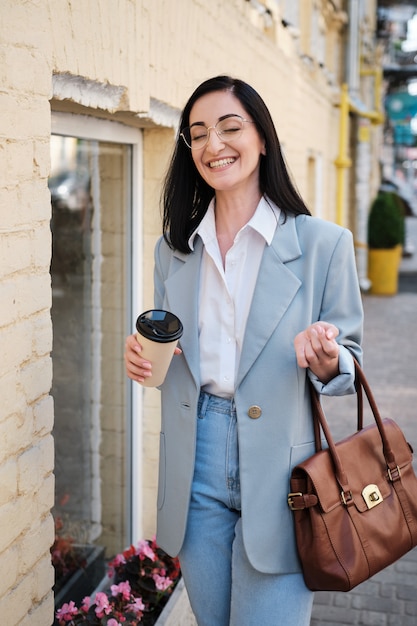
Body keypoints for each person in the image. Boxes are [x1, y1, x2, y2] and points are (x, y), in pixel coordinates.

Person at [124, 75, 363, 626]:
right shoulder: (175, 249)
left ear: (262, 139)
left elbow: (348, 360)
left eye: (230, 128)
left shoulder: (323, 245)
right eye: (199, 133)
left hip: (283, 468)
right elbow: (171, 354)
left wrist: (328, 358)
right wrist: (145, 362)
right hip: (196, 462)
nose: (214, 145)